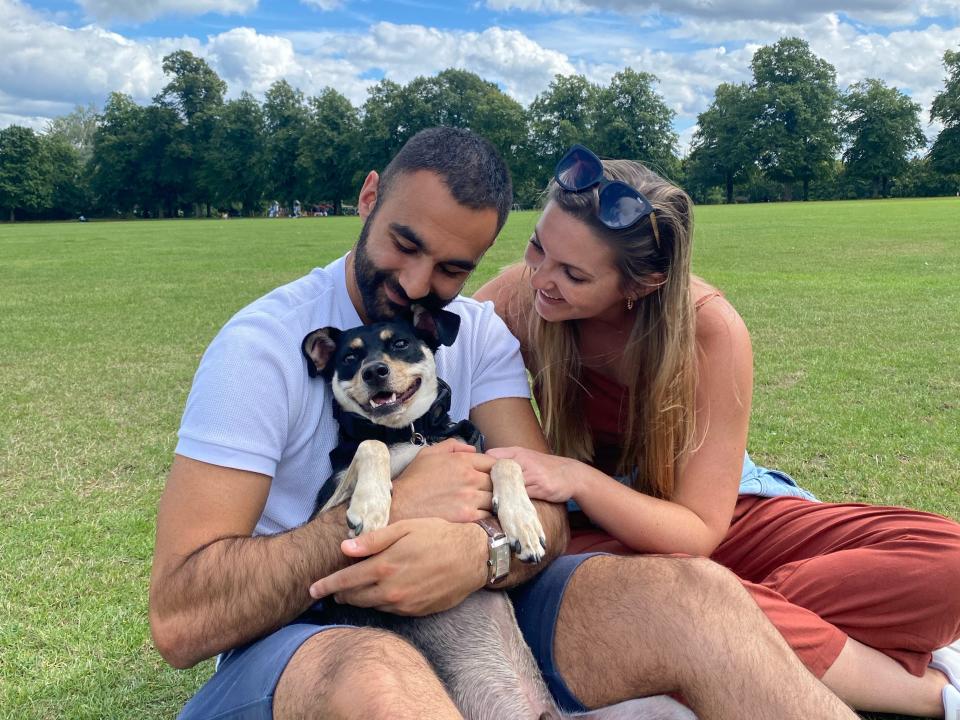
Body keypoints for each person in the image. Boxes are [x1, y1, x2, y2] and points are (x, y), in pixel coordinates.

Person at [150, 128, 857, 720]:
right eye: (404, 242)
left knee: (695, 594)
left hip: (480, 605)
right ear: (368, 198)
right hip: (311, 633)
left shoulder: (478, 333)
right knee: (381, 679)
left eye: (454, 268)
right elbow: (180, 620)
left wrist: (478, 554)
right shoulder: (261, 347)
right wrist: (364, 527)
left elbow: (546, 518)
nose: (419, 283)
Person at [475, 143, 960, 718]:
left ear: (642, 284)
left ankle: (732, 625)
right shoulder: (514, 298)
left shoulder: (709, 329)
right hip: (584, 532)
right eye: (537, 245)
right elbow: (435, 368)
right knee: (689, 603)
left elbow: (700, 529)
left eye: (573, 274)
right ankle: (924, 694)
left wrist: (576, 475)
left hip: (699, 517)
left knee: (946, 558)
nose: (539, 276)